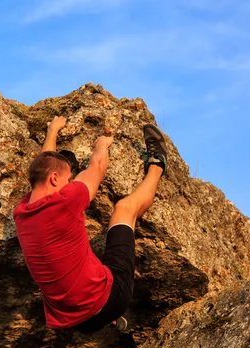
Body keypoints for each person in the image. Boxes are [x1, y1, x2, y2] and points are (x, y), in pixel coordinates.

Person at [12, 116, 168, 333]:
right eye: (68, 179)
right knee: (124, 208)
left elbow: (42, 167)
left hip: (75, 324)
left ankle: (110, 320)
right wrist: (102, 144)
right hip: (112, 300)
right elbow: (98, 167)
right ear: (55, 179)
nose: (70, 183)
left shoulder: (21, 213)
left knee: (82, 259)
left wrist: (53, 131)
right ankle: (158, 164)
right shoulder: (65, 201)